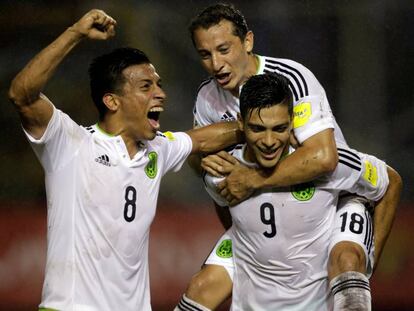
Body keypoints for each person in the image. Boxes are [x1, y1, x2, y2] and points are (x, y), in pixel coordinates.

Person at [8, 9, 242, 311]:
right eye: (146, 86)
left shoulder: (156, 148)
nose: (160, 94)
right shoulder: (71, 143)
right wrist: (75, 33)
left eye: (158, 84)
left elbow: (206, 138)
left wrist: (264, 124)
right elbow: (22, 95)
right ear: (112, 100)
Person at [175, 3, 399, 311]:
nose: (216, 63)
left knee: (347, 260)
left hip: (330, 200)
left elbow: (323, 158)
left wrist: (251, 178)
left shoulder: (291, 78)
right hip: (269, 210)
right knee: (203, 286)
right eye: (205, 54)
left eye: (224, 49)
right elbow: (213, 172)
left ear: (248, 42)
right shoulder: (207, 99)